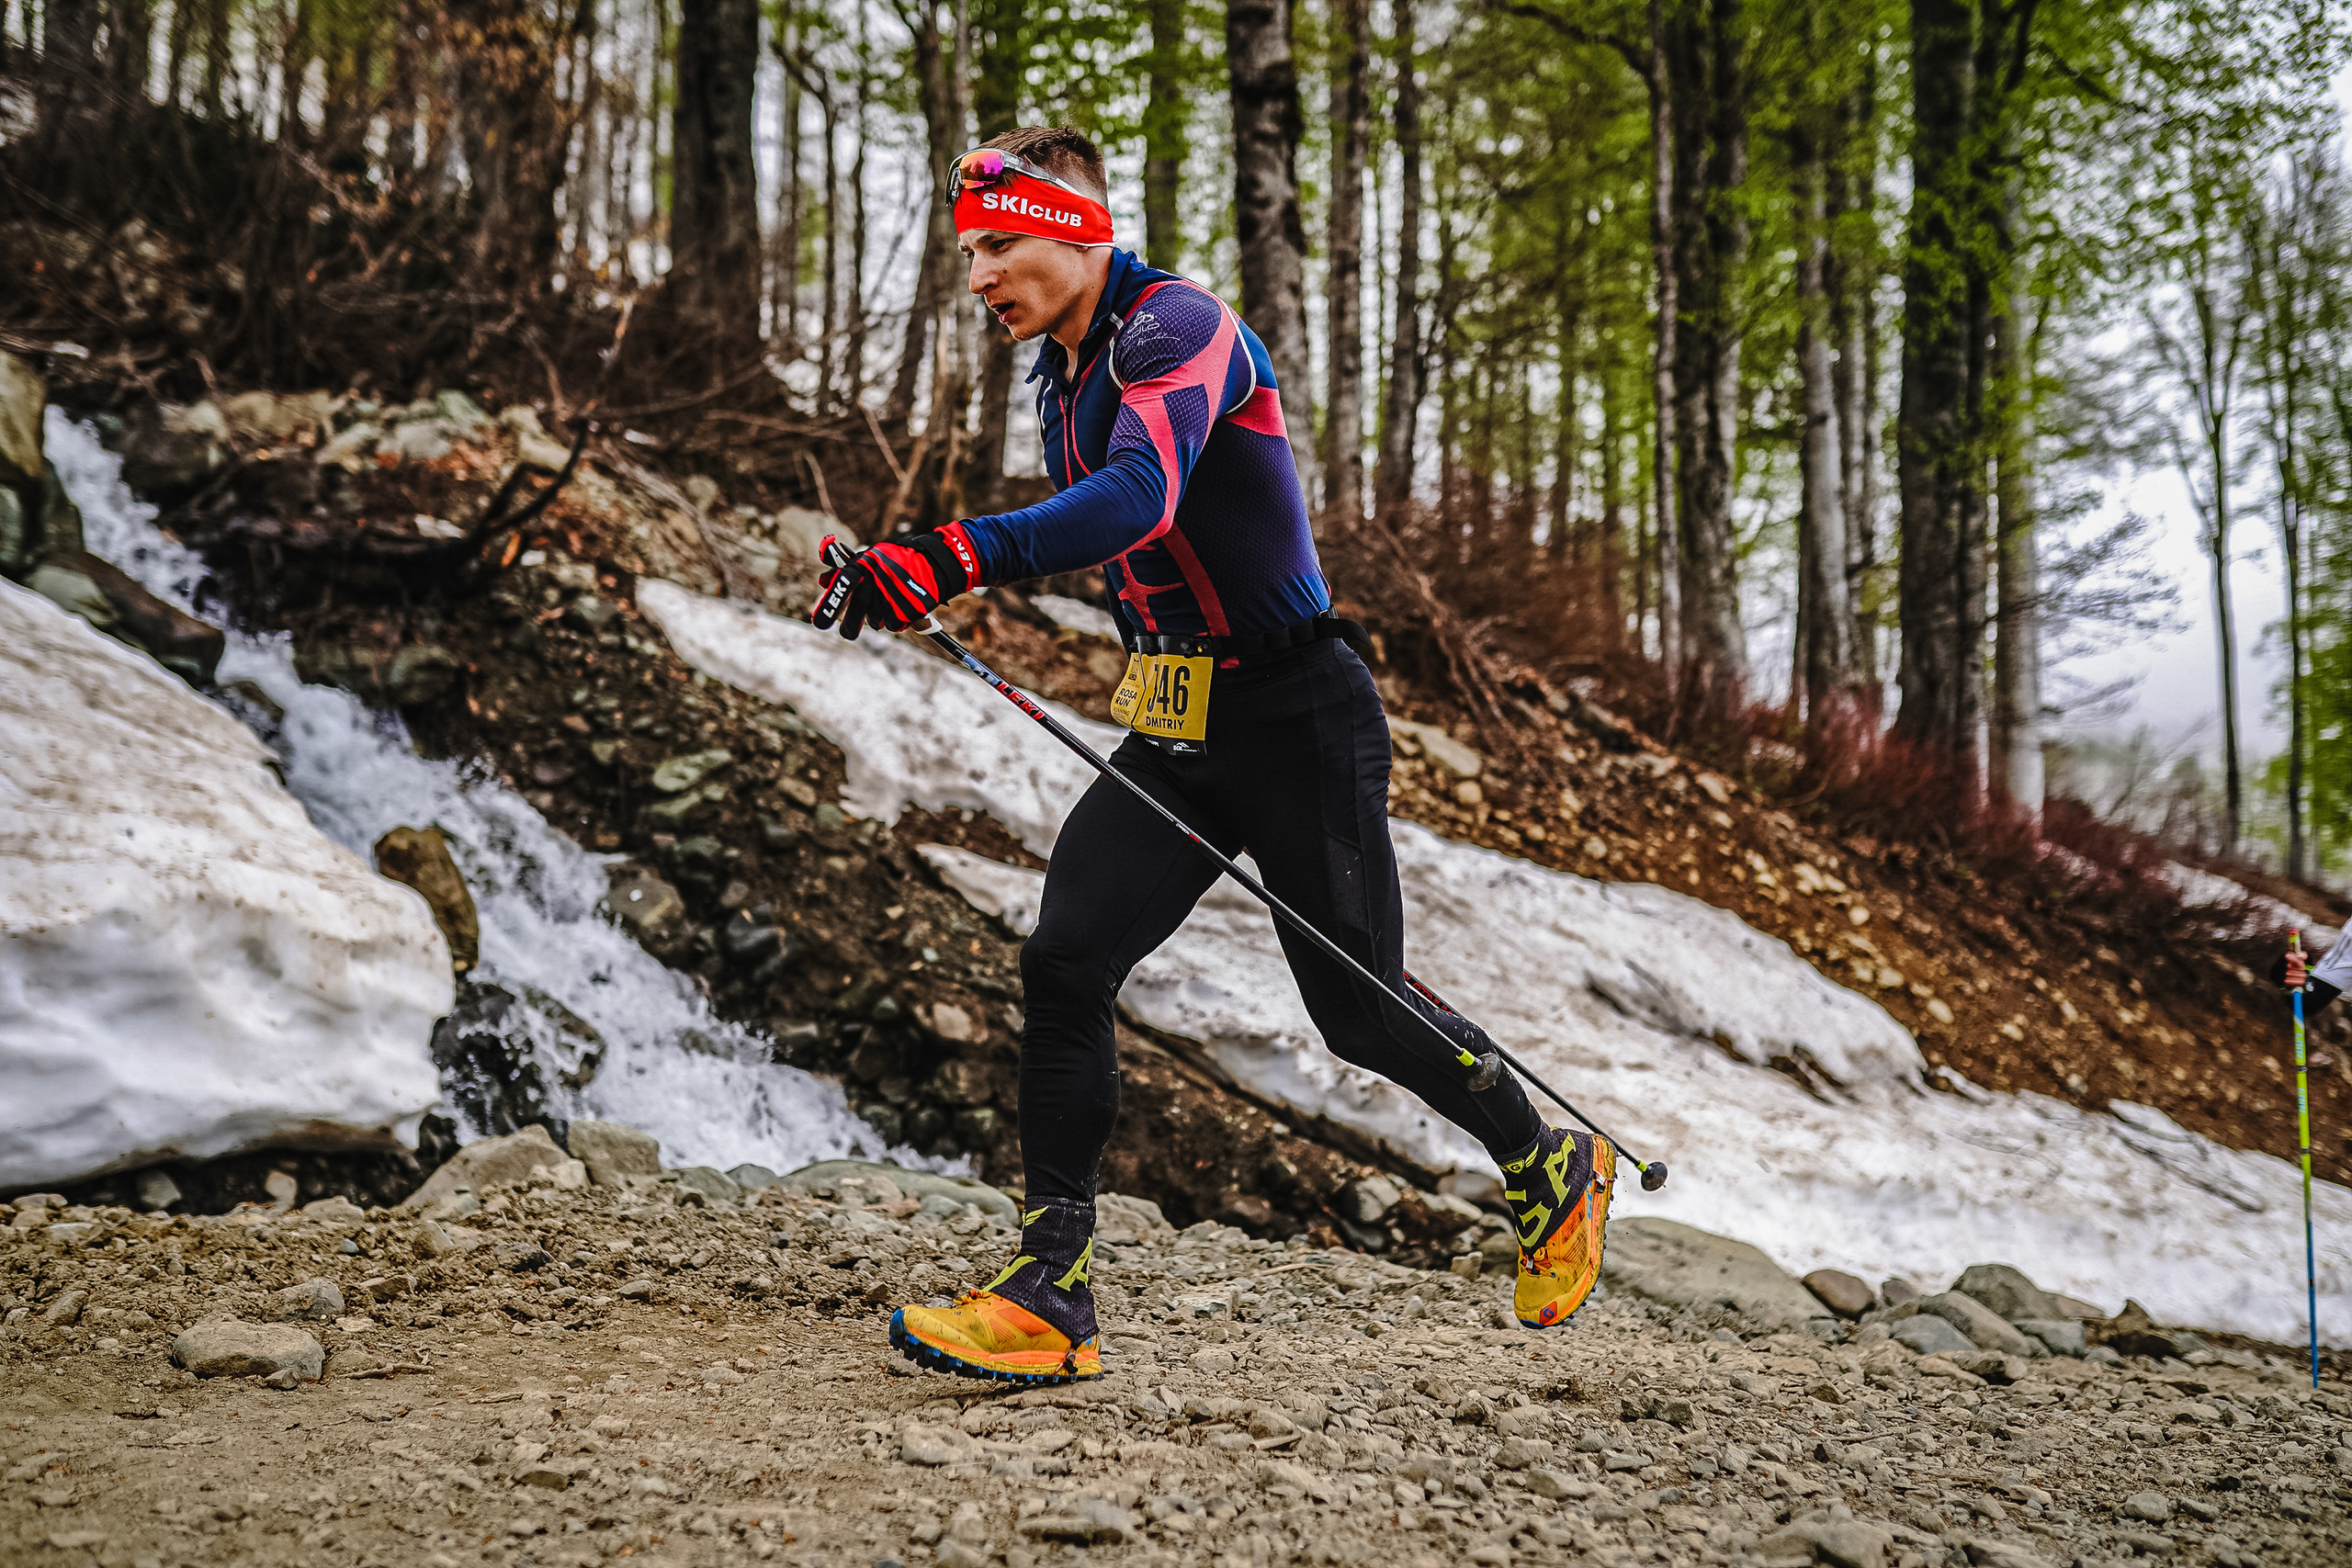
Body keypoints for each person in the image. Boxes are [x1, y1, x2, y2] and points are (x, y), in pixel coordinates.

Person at [811, 125, 1614, 1385]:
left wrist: (956, 554)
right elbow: (1113, 548)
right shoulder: (1060, 372)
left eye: (998, 245)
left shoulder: (1176, 328)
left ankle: (1544, 1157)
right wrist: (897, 583)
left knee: (1355, 1011)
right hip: (1181, 724)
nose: (976, 278)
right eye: (968, 252)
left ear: (1074, 230)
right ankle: (1050, 1294)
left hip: (1300, 715)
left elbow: (1141, 499)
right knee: (1067, 959)